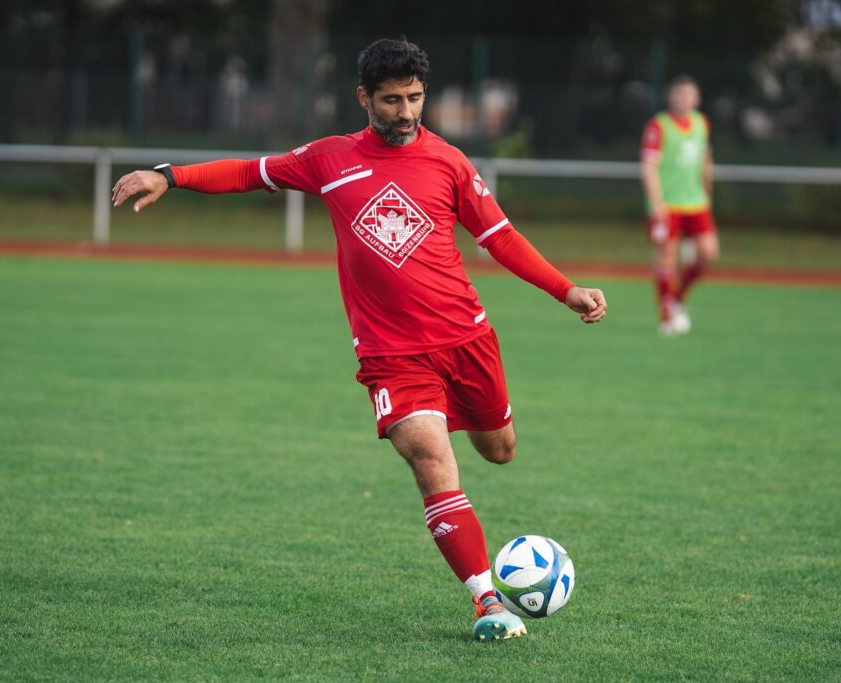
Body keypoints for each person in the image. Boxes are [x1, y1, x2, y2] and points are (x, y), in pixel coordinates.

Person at [112, 38, 606, 642]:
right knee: (431, 460)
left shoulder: (449, 162)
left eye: (415, 99)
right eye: (392, 100)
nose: (405, 112)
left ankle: (473, 451)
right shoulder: (328, 158)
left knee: (499, 450)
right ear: (364, 98)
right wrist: (170, 175)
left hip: (466, 338)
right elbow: (250, 171)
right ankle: (487, 604)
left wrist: (566, 290)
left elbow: (499, 237)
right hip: (390, 355)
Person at [639, 74, 719, 336]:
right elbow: (649, 168)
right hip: (668, 204)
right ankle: (667, 316)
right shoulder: (658, 126)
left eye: (689, 94)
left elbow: (706, 162)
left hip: (696, 202)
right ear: (670, 96)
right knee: (667, 259)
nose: (684, 98)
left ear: (697, 98)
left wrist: (708, 194)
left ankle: (677, 298)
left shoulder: (702, 123)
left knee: (708, 254)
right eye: (679, 93)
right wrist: (657, 205)